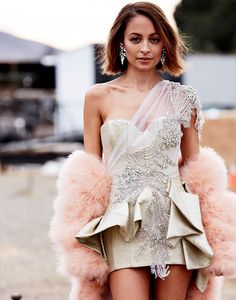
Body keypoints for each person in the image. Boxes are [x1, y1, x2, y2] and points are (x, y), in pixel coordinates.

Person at [76, 2, 213, 299]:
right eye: (135, 39)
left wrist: (215, 234)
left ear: (165, 42)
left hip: (174, 223)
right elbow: (89, 175)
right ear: (121, 43)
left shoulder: (183, 98)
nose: (145, 48)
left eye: (154, 39)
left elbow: (197, 172)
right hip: (120, 223)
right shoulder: (98, 97)